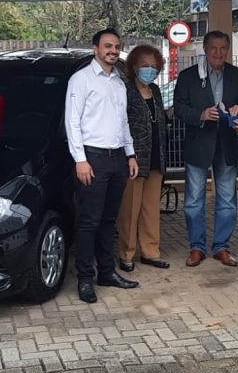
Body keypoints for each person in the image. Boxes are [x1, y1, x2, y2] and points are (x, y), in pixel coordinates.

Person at [65, 28, 140, 303]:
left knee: (109, 220)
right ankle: (85, 278)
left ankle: (106, 272)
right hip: (92, 158)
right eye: (108, 46)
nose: (113, 50)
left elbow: (123, 122)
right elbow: (72, 122)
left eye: (117, 46)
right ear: (95, 48)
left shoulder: (119, 82)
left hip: (118, 158)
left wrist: (130, 154)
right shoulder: (81, 79)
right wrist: (80, 159)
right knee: (89, 221)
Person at [174, 30, 238, 267]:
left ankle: (221, 247)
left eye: (222, 48)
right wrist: (200, 115)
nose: (218, 53)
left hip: (227, 144)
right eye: (213, 48)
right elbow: (179, 107)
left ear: (227, 50)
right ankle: (196, 247)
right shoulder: (188, 76)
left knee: (227, 199)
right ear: (205, 50)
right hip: (199, 143)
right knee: (193, 200)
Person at [117, 44, 171, 273]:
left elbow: (158, 119)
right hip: (134, 159)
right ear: (133, 67)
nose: (150, 70)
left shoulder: (155, 90)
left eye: (154, 66)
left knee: (151, 208)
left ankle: (150, 251)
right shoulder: (125, 90)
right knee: (130, 209)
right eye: (144, 65)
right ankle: (126, 254)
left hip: (156, 156)